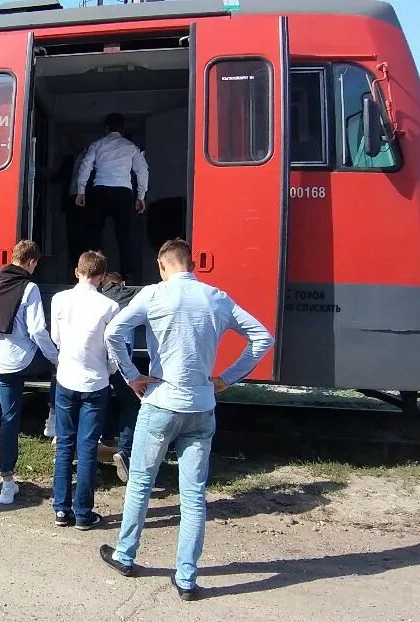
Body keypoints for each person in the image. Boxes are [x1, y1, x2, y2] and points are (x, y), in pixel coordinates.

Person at [98, 239, 273, 601]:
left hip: (161, 402)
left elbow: (113, 332)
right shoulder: (216, 297)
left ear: (163, 265)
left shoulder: (153, 295)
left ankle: (125, 555)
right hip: (202, 406)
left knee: (142, 482)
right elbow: (262, 337)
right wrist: (228, 376)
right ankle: (187, 579)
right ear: (191, 264)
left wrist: (131, 374)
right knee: (194, 495)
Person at [0, 240, 59, 505]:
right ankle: (53, 416)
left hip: (0, 362)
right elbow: (37, 331)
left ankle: (7, 484)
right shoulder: (29, 287)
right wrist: (55, 355)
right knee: (62, 368)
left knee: (9, 420)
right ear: (32, 262)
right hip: (24, 359)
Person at [49, 251, 119, 530]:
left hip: (66, 379)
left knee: (65, 444)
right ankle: (83, 514)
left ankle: (61, 510)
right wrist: (110, 369)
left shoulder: (59, 300)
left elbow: (56, 338)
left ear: (76, 271)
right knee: (87, 447)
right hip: (96, 383)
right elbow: (113, 347)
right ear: (102, 277)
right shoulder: (109, 307)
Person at [74, 113, 150, 284]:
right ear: (122, 129)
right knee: (125, 236)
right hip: (123, 192)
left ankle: (93, 275)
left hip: (99, 190)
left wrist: (81, 191)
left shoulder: (97, 144)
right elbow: (142, 171)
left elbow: (85, 166)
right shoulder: (131, 147)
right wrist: (140, 196)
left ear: (105, 128)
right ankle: (127, 277)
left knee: (95, 234)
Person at [97, 272, 140, 482]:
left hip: (97, 360)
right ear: (121, 283)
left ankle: (105, 437)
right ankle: (124, 451)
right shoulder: (125, 295)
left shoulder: (96, 298)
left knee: (101, 397)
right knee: (130, 401)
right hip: (119, 360)